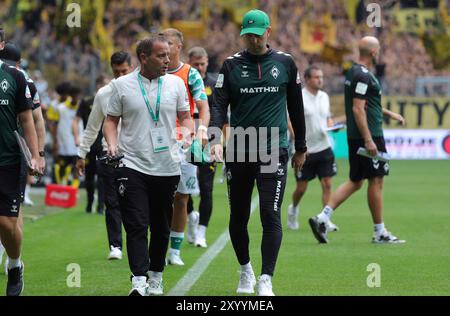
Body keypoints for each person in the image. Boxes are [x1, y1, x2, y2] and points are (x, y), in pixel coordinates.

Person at [209, 9, 307, 296]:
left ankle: (266, 278)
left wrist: (300, 147)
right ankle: (245, 269)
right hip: (239, 148)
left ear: (268, 32)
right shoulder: (230, 65)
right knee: (238, 217)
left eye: (256, 34)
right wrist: (215, 139)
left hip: (273, 149)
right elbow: (218, 106)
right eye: (246, 34)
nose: (251, 39)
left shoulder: (286, 63)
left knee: (269, 211)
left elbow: (296, 108)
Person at [103, 35, 194, 296]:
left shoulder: (176, 84)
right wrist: (112, 143)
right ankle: (139, 281)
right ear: (144, 58)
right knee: (136, 223)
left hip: (167, 166)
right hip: (131, 163)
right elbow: (111, 120)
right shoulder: (121, 85)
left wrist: (188, 133)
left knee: (161, 226)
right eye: (162, 55)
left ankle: (156, 275)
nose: (168, 60)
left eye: (168, 55)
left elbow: (186, 117)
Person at [308, 36, 406, 244]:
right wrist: (369, 140)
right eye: (378, 48)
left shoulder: (353, 72)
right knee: (376, 179)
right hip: (368, 135)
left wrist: (389, 114)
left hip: (356, 135)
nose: (379, 52)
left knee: (356, 181)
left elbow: (368, 103)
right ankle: (379, 232)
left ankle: (322, 217)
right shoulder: (363, 76)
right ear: (373, 52)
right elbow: (358, 108)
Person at [76, 51, 134, 260]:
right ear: (112, 70)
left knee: (135, 202)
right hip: (109, 153)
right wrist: (81, 153)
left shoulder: (141, 89)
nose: (120, 75)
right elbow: (92, 127)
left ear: (131, 67)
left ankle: (141, 243)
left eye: (124, 71)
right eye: (116, 71)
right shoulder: (103, 94)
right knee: (111, 200)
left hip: (136, 154)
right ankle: (115, 245)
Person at [161, 28, 210, 265]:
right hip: (157, 139)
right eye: (161, 43)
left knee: (182, 196)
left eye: (168, 43)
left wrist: (201, 129)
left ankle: (175, 250)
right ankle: (157, 245)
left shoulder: (190, 74)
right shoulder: (152, 72)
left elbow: (203, 106)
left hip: (184, 140)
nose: (164, 48)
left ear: (179, 46)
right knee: (159, 196)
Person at [0, 28, 41, 296]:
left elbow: (28, 119)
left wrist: (37, 155)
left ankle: (15, 265)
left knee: (5, 223)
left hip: (8, 159)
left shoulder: (14, 76)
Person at [287, 65, 339, 232]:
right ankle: (293, 209)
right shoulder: (299, 96)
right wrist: (298, 143)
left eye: (321, 77)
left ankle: (325, 219)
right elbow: (289, 121)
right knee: (301, 187)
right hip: (306, 150)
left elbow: (327, 118)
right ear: (307, 79)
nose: (320, 80)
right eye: (316, 77)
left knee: (327, 183)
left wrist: (332, 127)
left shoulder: (324, 96)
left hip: (324, 146)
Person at [0, 42, 46, 207]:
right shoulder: (26, 80)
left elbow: (35, 119)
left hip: (14, 150)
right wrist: (39, 155)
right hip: (15, 150)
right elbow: (38, 119)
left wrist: (37, 155)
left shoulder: (23, 80)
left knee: (10, 212)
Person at [186, 46, 224, 248]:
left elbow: (220, 112)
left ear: (207, 62)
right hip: (184, 139)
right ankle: (191, 214)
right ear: (189, 62)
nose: (200, 67)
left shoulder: (215, 83)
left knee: (206, 188)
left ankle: (201, 232)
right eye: (196, 64)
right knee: (183, 188)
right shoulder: (182, 81)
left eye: (202, 64)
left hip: (208, 140)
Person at [73, 75, 107, 214]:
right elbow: (76, 120)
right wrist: (76, 137)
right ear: (97, 86)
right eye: (100, 85)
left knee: (102, 176)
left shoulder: (111, 99)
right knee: (89, 176)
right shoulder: (87, 101)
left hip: (104, 143)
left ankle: (100, 206)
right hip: (89, 143)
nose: (102, 88)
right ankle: (89, 203)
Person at [49, 84, 83, 187]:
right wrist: (55, 141)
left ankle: (73, 190)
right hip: (63, 142)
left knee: (76, 167)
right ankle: (61, 188)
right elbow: (52, 124)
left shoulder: (81, 106)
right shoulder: (58, 107)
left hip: (77, 142)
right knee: (62, 167)